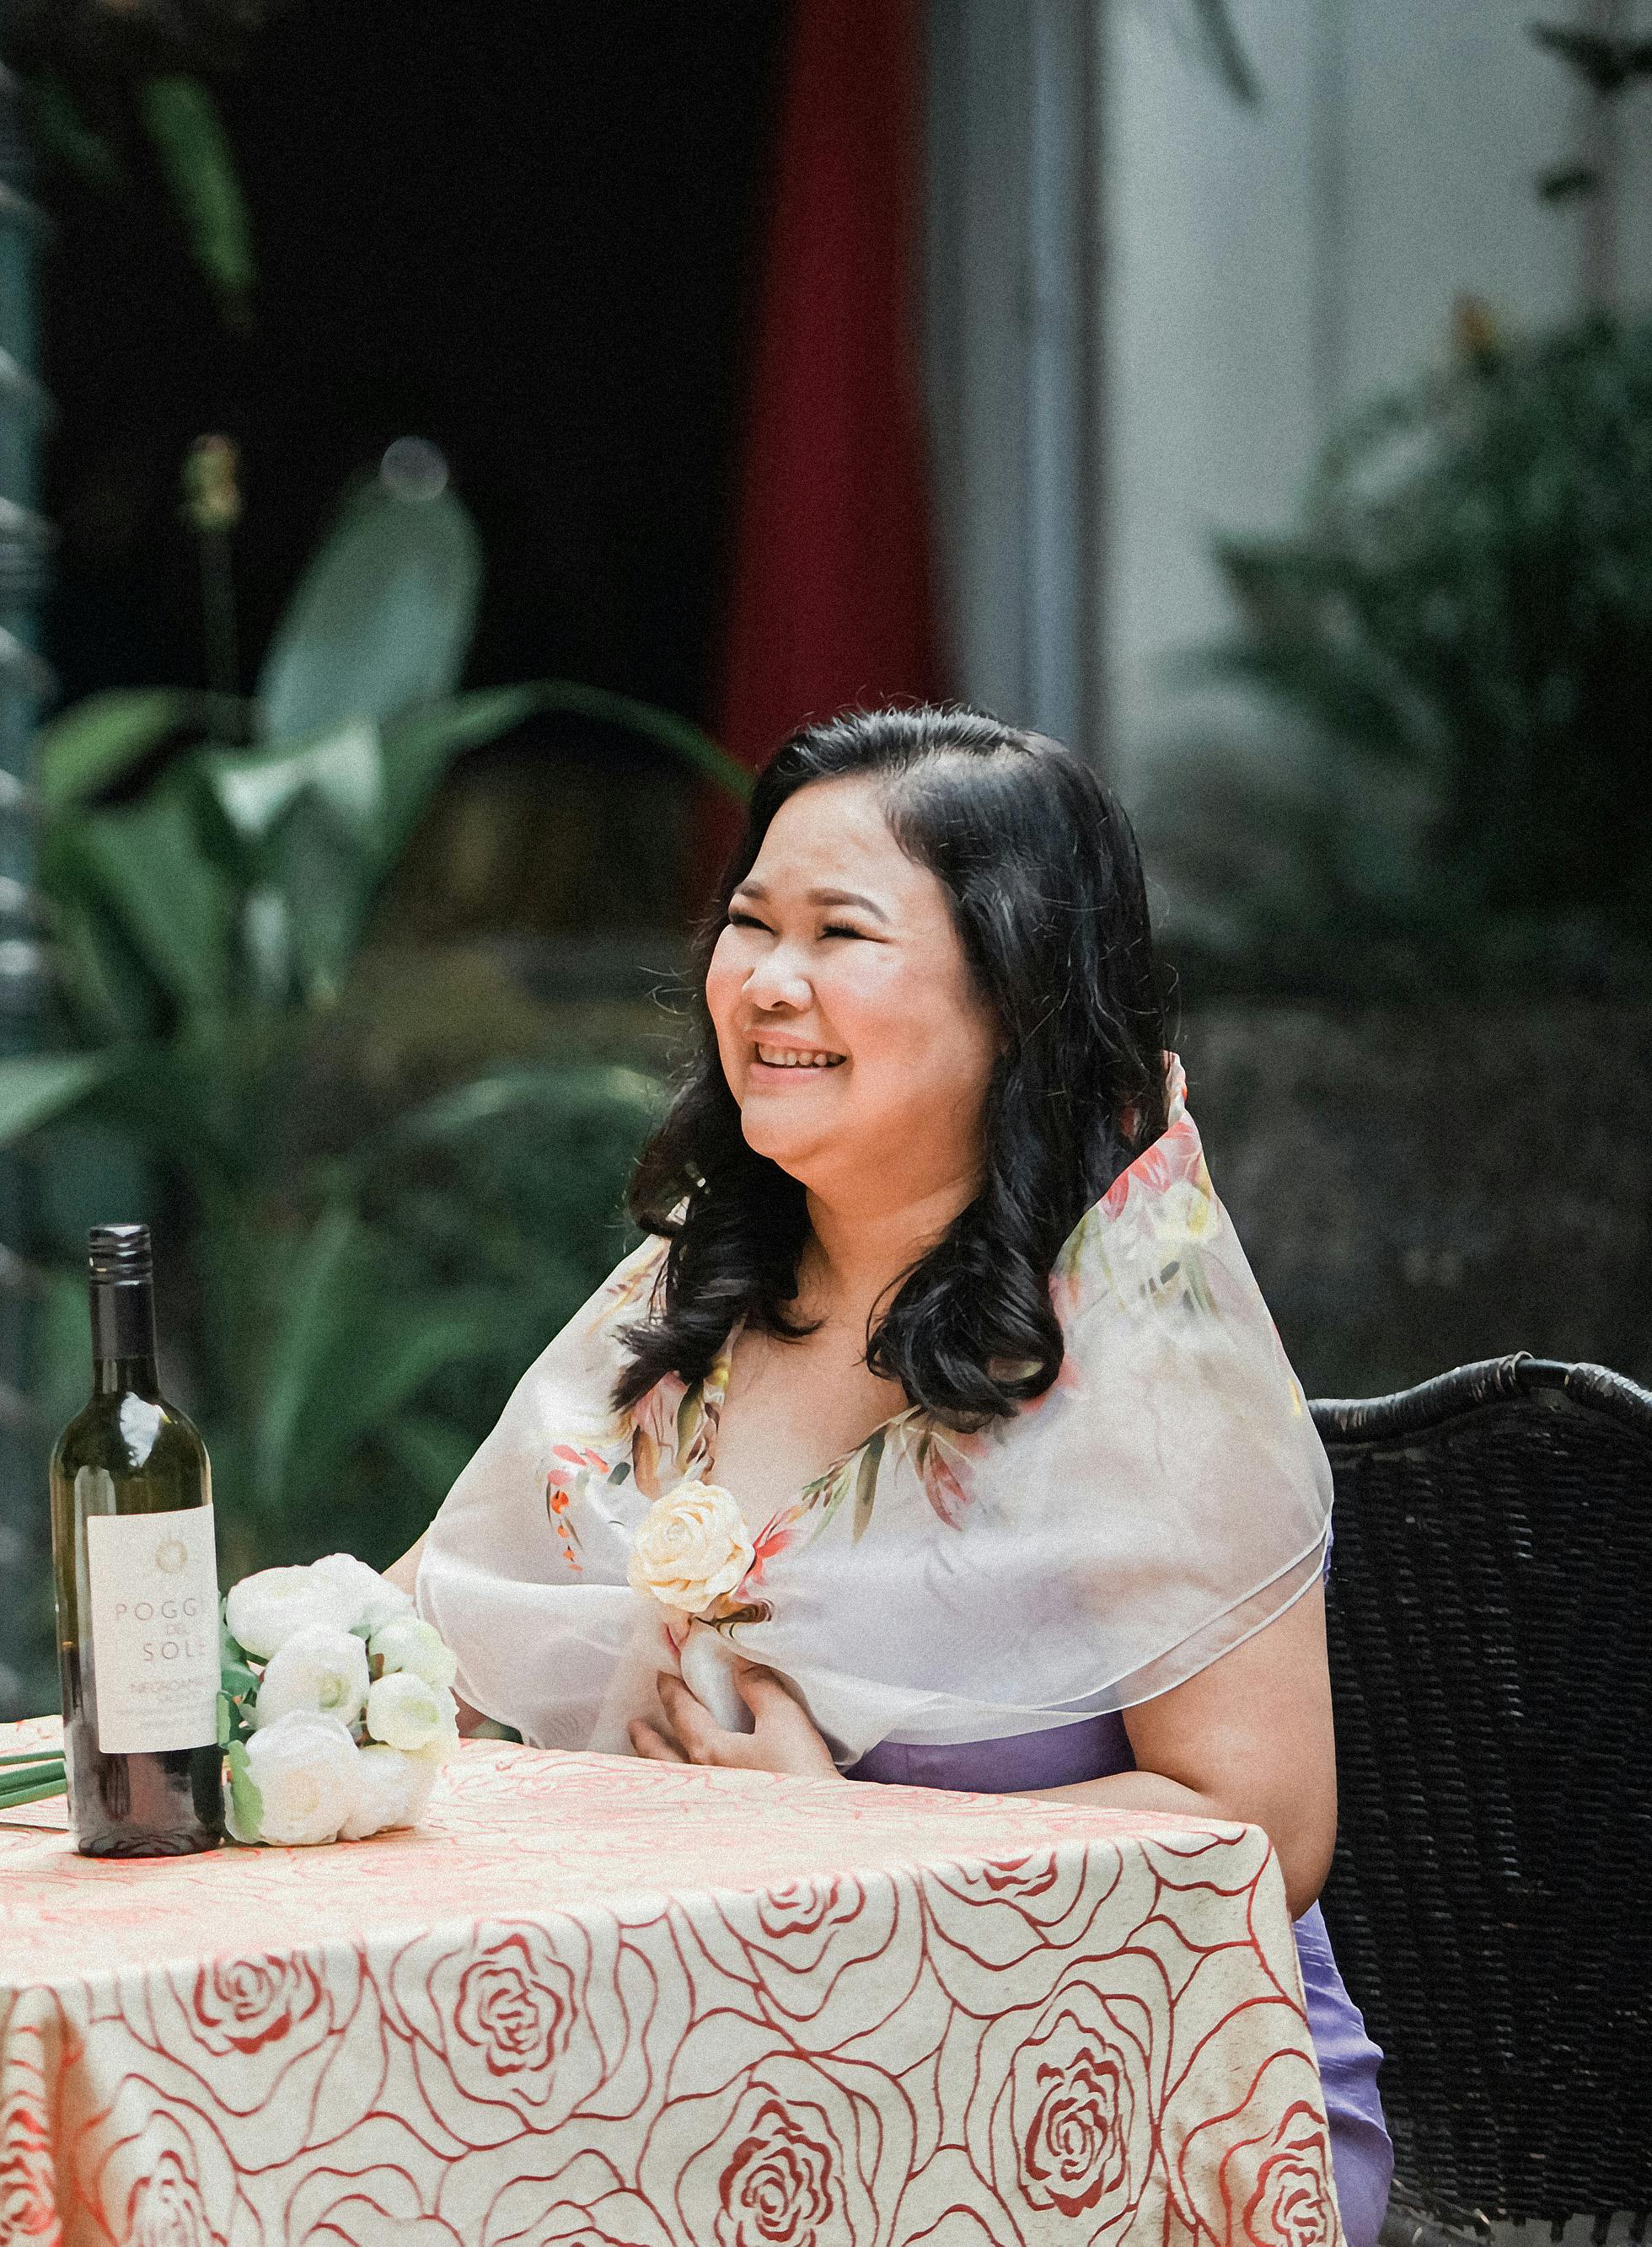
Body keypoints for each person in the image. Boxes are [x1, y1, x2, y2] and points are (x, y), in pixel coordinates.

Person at [391, 706, 1391, 2243]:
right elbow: (430, 1634)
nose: (766, 983)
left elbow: (1262, 1823)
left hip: (1129, 2092)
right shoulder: (696, 1293)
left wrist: (861, 1848)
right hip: (737, 2062)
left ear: (1015, 993)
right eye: (747, 924)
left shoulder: (1136, 1332)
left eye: (840, 933)